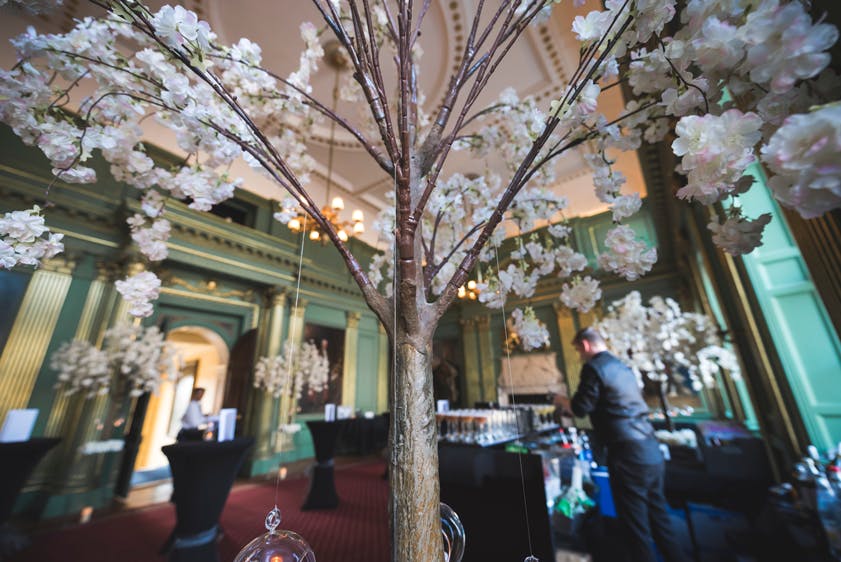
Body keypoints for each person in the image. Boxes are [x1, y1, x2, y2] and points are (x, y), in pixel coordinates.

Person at [556, 327, 687, 562]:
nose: (579, 356)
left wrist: (561, 401)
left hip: (628, 455)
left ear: (585, 345)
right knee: (660, 519)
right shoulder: (622, 367)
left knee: (635, 527)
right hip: (650, 448)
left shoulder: (594, 367)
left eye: (578, 350)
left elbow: (580, 408)